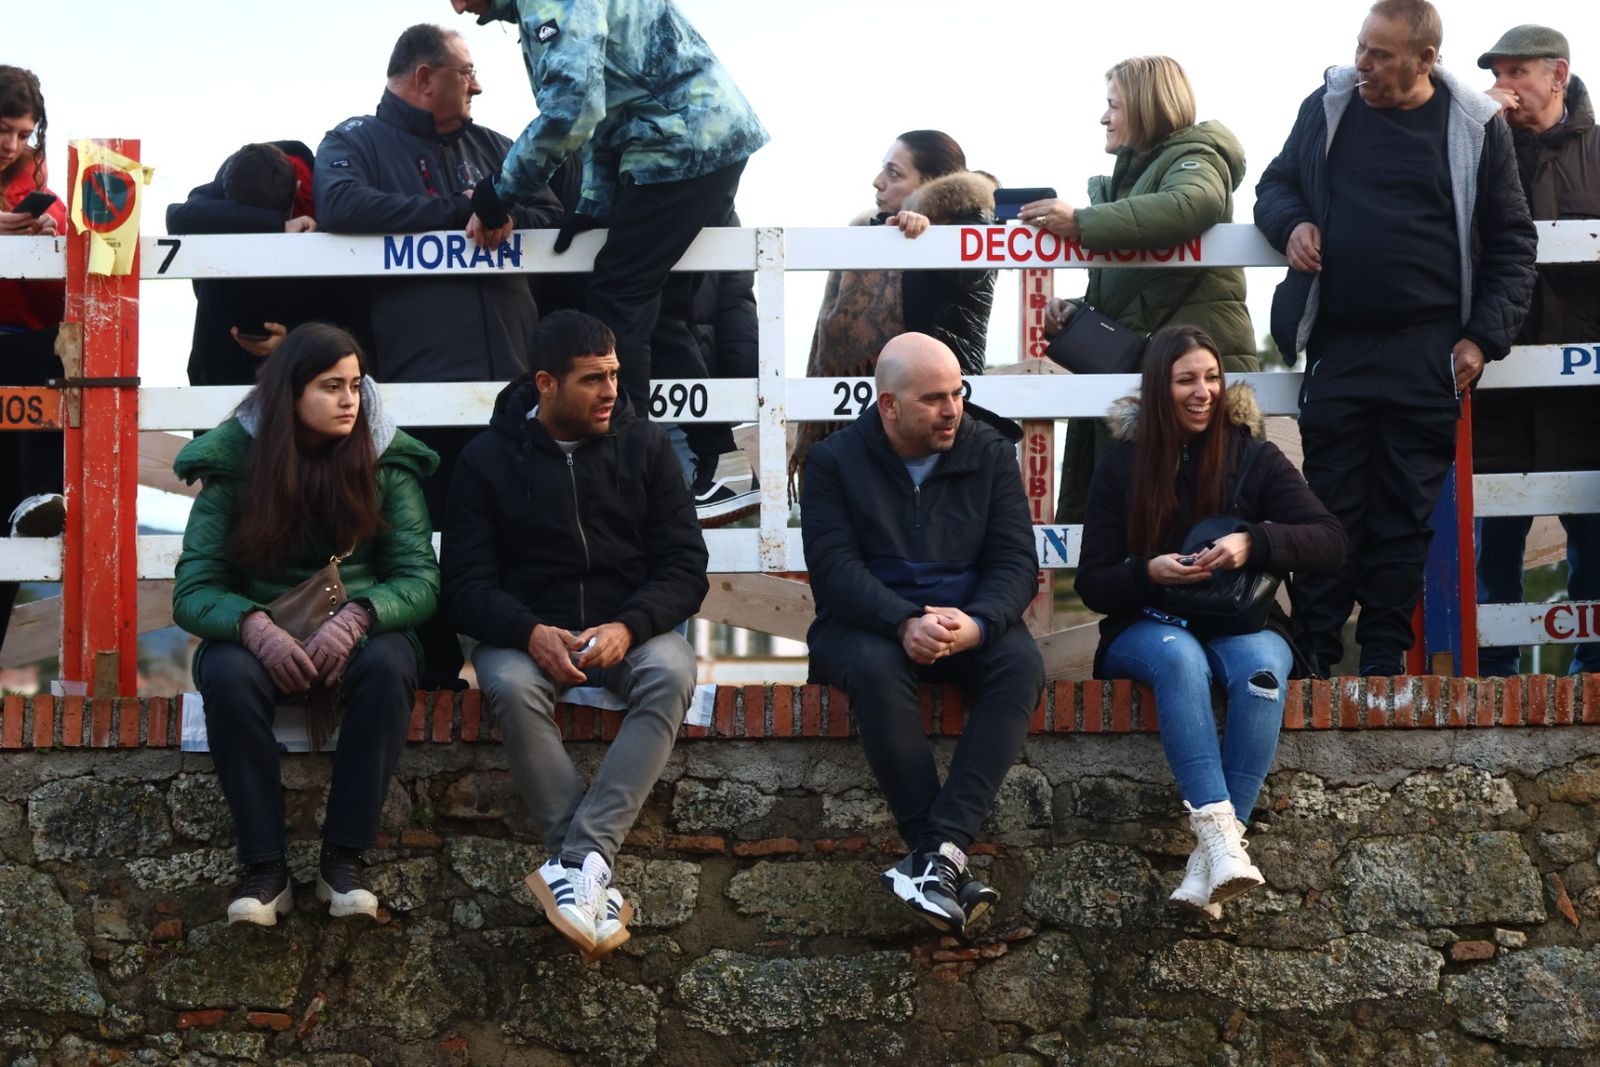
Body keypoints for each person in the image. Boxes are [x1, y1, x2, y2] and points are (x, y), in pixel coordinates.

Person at [1254, 0, 1537, 677]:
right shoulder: (1328, 106)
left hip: (1428, 349)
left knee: (1403, 515)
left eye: (1379, 54)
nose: (1362, 63)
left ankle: (1382, 662)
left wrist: (1481, 341)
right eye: (1360, 46)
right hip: (1339, 343)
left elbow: (1513, 242)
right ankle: (1316, 657)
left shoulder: (1475, 124)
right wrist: (1291, 223)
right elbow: (1273, 186)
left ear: (1425, 58)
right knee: (1325, 508)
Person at [440, 310, 707, 961]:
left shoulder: (647, 447)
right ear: (545, 384)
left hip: (629, 632)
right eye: (593, 379)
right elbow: (465, 584)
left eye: (614, 374)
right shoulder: (485, 460)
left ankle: (579, 861)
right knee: (504, 680)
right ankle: (583, 871)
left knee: (672, 671)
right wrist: (529, 631)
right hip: (525, 635)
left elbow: (684, 566)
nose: (612, 390)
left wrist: (629, 624)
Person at [448, 0, 769, 520]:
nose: (460, 7)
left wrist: (496, 193)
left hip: (677, 148)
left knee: (617, 297)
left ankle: (625, 466)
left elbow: (573, 107)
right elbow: (610, 98)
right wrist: (594, 203)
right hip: (700, 137)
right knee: (657, 304)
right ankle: (722, 466)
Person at [315, 22, 563, 685]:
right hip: (418, 392)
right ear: (425, 77)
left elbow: (550, 212)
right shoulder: (355, 141)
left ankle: (517, 670)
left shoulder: (499, 147)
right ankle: (433, 686)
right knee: (417, 542)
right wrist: (461, 210)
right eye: (466, 71)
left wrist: (505, 214)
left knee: (515, 537)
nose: (479, 84)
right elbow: (338, 203)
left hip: (513, 389)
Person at [171, 323, 440, 926]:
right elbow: (194, 591)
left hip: (359, 639)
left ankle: (343, 863)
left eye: (354, 385)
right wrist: (255, 628)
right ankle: (264, 872)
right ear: (289, 394)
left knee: (392, 661)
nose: (349, 400)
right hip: (259, 643)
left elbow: (420, 580)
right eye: (330, 387)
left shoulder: (386, 461)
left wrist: (360, 618)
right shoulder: (235, 466)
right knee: (229, 674)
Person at [1076, 325, 1346, 915]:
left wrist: (1254, 541)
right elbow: (1092, 583)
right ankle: (1223, 845)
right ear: (1158, 388)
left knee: (1261, 673)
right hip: (1147, 624)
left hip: (1245, 624)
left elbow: (1330, 540)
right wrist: (1150, 571)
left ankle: (1215, 856)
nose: (1203, 392)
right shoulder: (1121, 467)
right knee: (1180, 658)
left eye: (1212, 377)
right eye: (1185, 380)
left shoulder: (1255, 455)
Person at [801, 332, 1043, 935]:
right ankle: (942, 857)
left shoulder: (990, 453)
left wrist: (980, 623)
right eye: (935, 398)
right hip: (867, 626)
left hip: (964, 623)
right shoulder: (833, 463)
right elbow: (834, 573)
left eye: (958, 393)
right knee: (878, 668)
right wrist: (903, 619)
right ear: (888, 404)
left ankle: (936, 856)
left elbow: (1015, 563)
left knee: (1020, 664)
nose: (953, 409)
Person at [1032, 55, 1256, 526]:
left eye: (1113, 104)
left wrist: (1081, 222)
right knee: (1145, 531)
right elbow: (1137, 290)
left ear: (1146, 106)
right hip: (1156, 377)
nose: (1103, 117)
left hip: (1185, 386)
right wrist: (1077, 312)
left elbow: (1191, 204)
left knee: (1188, 527)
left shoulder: (1197, 158)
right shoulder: (1138, 180)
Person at [1472, 25, 1600, 675]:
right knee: (1493, 546)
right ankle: (1495, 678)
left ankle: (1591, 674)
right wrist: (1487, 133)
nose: (1504, 83)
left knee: (1594, 543)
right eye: (1498, 71)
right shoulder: (1481, 147)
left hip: (1585, 393)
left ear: (1558, 75)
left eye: (1517, 71)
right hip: (1502, 386)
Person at [789, 130, 998, 490]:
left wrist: (927, 230)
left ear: (931, 185)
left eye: (895, 174)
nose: (878, 182)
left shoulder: (966, 231)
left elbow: (968, 269)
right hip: (881, 426)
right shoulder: (878, 236)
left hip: (942, 430)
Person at [167, 141, 370, 385]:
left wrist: (293, 339)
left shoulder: (327, 188)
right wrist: (275, 225)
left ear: (297, 189)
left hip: (308, 320)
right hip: (225, 324)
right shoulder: (234, 176)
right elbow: (178, 216)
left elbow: (347, 303)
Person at [0, 65, 67, 659]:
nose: (12, 145)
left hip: (19, 358)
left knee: (7, 528)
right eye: (3, 130)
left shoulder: (43, 195)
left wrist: (43, 246)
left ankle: (41, 497)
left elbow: (60, 309)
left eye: (24, 133)